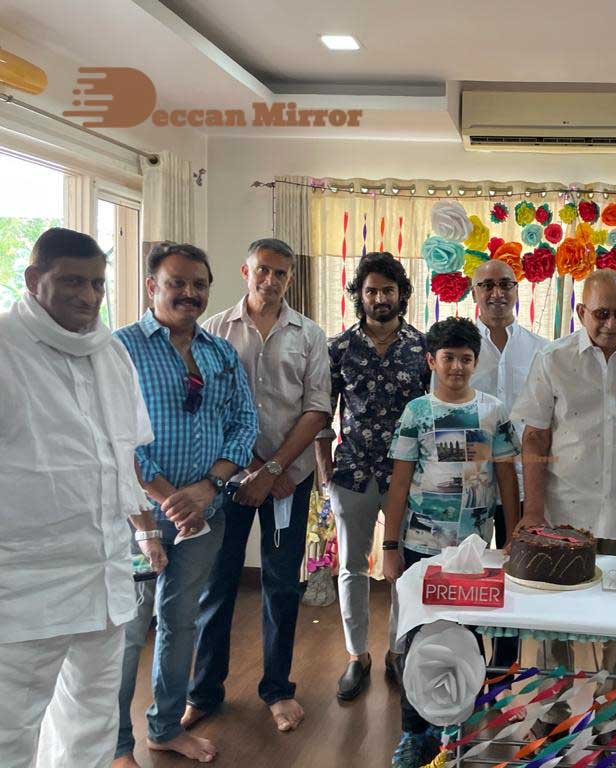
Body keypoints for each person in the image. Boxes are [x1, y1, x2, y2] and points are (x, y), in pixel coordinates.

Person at [0, 228, 166, 768]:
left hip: (103, 573)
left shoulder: (109, 352)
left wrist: (144, 529)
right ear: (33, 280)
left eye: (97, 283)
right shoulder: (5, 348)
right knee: (10, 730)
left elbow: (122, 460)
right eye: (72, 281)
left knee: (92, 719)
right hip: (21, 586)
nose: (89, 297)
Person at [113, 242, 259, 767]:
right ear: (152, 286)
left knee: (180, 624)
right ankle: (116, 746)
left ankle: (165, 726)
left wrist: (210, 488)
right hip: (137, 519)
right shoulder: (121, 348)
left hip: (206, 514)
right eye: (177, 282)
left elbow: (245, 423)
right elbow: (117, 437)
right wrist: (165, 500)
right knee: (129, 633)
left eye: (199, 284)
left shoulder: (220, 353)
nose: (189, 293)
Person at [183, 238, 331, 733]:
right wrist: (250, 468)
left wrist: (274, 471)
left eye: (281, 274)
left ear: (291, 279)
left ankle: (276, 689)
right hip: (227, 477)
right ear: (244, 270)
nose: (271, 281)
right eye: (263, 270)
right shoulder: (213, 331)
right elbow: (211, 409)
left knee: (281, 583)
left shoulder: (309, 334)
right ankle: (204, 691)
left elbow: (316, 409)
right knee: (217, 583)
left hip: (290, 479)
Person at [513, 268, 616, 732]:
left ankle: (613, 711)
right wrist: (533, 512)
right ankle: (551, 707)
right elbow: (535, 438)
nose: (611, 324)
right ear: (581, 313)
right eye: (601, 314)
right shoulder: (552, 359)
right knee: (555, 619)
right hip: (563, 515)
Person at [381, 317, 521, 768]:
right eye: (448, 358)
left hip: (477, 550)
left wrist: (514, 536)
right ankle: (414, 733)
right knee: (418, 639)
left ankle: (456, 725)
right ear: (431, 361)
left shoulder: (494, 411)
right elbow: (399, 483)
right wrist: (388, 546)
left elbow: (505, 478)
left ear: (475, 362)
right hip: (422, 547)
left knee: (468, 638)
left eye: (465, 358)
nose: (457, 366)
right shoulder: (416, 413)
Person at [314, 252, 431, 701]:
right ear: (359, 295)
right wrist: (325, 469)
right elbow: (322, 412)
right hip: (353, 471)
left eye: (388, 290)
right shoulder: (339, 348)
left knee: (403, 568)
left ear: (401, 293)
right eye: (371, 290)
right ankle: (356, 655)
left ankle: (397, 651)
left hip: (409, 475)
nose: (380, 298)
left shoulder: (422, 349)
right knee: (351, 566)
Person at [468, 258, 548, 671]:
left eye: (505, 284)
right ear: (474, 292)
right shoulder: (460, 347)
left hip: (523, 480)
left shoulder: (540, 349)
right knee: (470, 570)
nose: (496, 293)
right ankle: (468, 659)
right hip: (472, 483)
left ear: (518, 290)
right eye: (487, 286)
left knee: (515, 571)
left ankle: (504, 664)